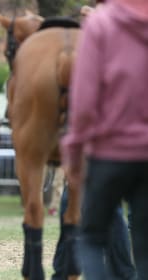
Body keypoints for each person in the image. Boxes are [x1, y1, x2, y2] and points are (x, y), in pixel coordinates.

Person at [61, 0, 148, 279]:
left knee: (91, 238)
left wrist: (74, 150)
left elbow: (84, 101)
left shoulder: (101, 23)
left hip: (109, 153)